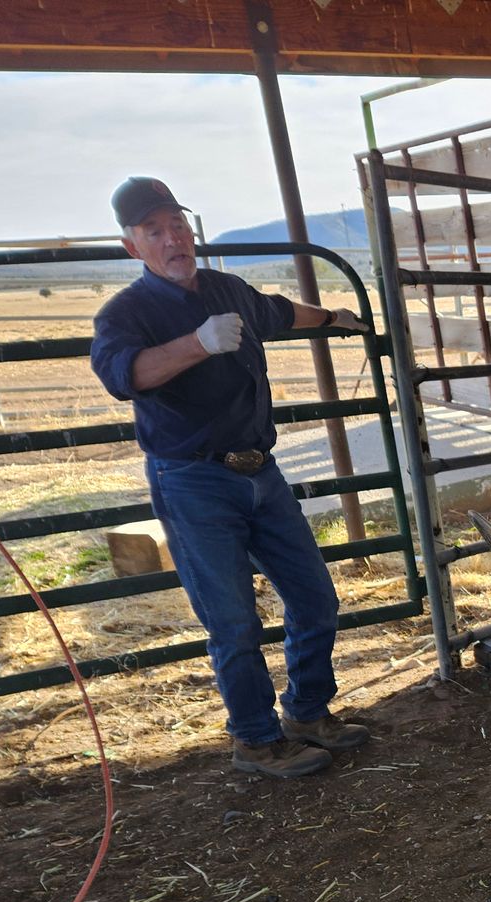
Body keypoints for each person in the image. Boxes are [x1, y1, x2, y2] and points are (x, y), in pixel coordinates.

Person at [90, 176, 372, 778]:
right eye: (155, 232)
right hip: (193, 479)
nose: (173, 241)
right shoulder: (127, 313)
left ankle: (307, 710)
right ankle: (255, 739)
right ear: (131, 247)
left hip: (259, 472)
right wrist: (196, 343)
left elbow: (277, 313)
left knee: (313, 594)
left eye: (179, 226)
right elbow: (124, 375)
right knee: (233, 618)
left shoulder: (227, 289)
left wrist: (334, 317)